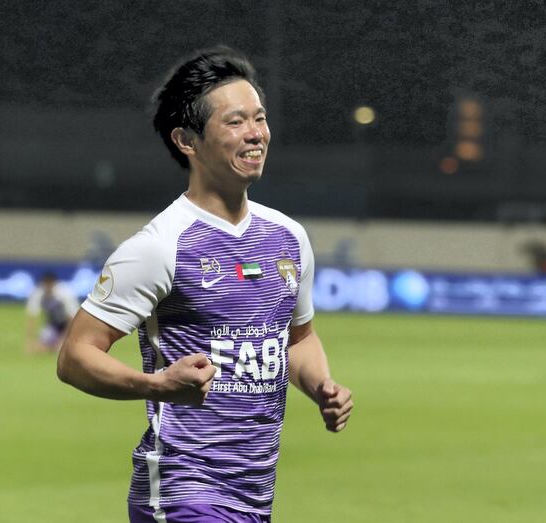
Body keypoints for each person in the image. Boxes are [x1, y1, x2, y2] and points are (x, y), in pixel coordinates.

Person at [56, 47, 353, 523]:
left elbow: (297, 337)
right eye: (235, 122)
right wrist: (156, 384)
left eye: (259, 118)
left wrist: (320, 386)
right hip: (182, 489)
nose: (255, 134)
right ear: (186, 141)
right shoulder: (159, 247)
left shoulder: (288, 238)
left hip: (255, 494)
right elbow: (75, 357)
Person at [25, 272, 79, 353]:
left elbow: (72, 318)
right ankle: (52, 347)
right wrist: (29, 342)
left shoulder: (64, 293)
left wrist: (62, 339)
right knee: (39, 346)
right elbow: (32, 317)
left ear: (54, 284)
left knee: (63, 348)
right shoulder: (38, 293)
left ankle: (57, 346)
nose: (47, 287)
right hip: (53, 326)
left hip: (69, 326)